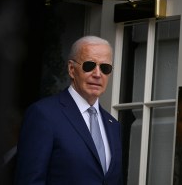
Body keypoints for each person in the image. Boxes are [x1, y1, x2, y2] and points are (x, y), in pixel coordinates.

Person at [14, 35, 123, 185]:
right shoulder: (43, 115)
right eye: (89, 65)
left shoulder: (113, 125)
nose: (98, 74)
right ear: (72, 69)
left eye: (105, 68)